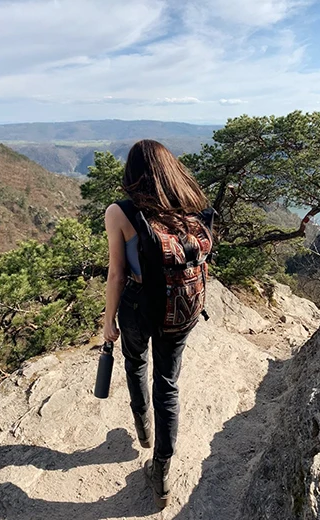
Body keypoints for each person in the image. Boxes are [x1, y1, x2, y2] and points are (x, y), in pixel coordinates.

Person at [100, 139, 215, 508]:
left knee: (135, 362)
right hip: (182, 309)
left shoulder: (120, 212)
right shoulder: (194, 208)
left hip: (138, 305)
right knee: (168, 384)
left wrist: (108, 322)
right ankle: (161, 471)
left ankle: (144, 429)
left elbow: (117, 274)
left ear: (133, 174)